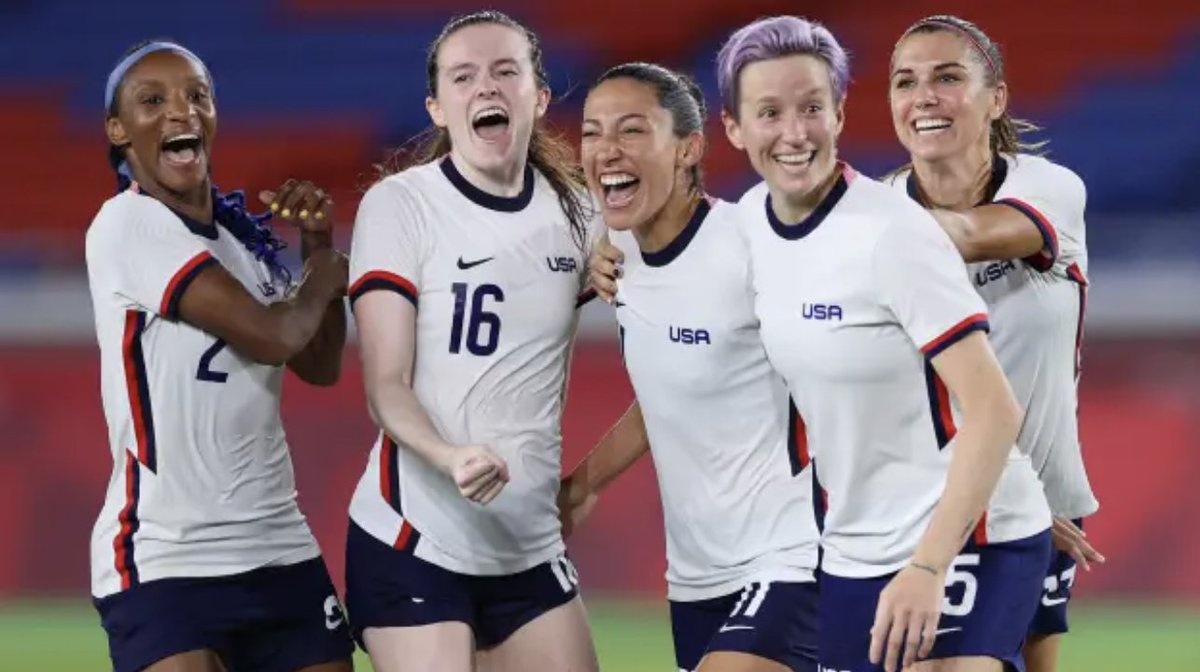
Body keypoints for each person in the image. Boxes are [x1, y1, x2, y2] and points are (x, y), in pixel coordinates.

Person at [719, 15, 1055, 672]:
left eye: (812, 108)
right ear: (733, 128)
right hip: (852, 547)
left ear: (840, 115)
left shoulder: (892, 234)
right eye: (769, 112)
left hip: (971, 534)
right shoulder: (742, 230)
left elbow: (994, 410)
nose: (794, 133)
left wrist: (929, 566)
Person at [342, 11, 601, 672]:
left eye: (505, 71)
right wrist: (448, 454)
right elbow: (386, 385)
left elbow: (674, 332)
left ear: (539, 97)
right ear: (437, 107)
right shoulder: (401, 206)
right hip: (415, 539)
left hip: (528, 548)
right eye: (464, 76)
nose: (485, 87)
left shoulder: (582, 217)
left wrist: (594, 477)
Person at [87, 40, 353, 672]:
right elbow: (274, 335)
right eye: (153, 101)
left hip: (276, 543)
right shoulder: (128, 224)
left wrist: (316, 246)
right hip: (166, 555)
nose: (182, 112)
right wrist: (327, 275)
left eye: (197, 96)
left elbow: (318, 364)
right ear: (118, 130)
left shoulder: (242, 243)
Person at [561, 62, 820, 672]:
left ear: (688, 148)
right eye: (593, 131)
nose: (605, 150)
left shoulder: (752, 245)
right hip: (696, 577)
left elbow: (864, 362)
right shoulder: (616, 250)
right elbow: (669, 391)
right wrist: (584, 484)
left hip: (794, 556)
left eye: (631, 130)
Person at [884, 15, 1104, 672]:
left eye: (948, 77)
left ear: (996, 98)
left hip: (1045, 504)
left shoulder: (1048, 189)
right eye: (905, 81)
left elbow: (973, 235)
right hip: (924, 507)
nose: (923, 95)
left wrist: (836, 234)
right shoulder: (874, 211)